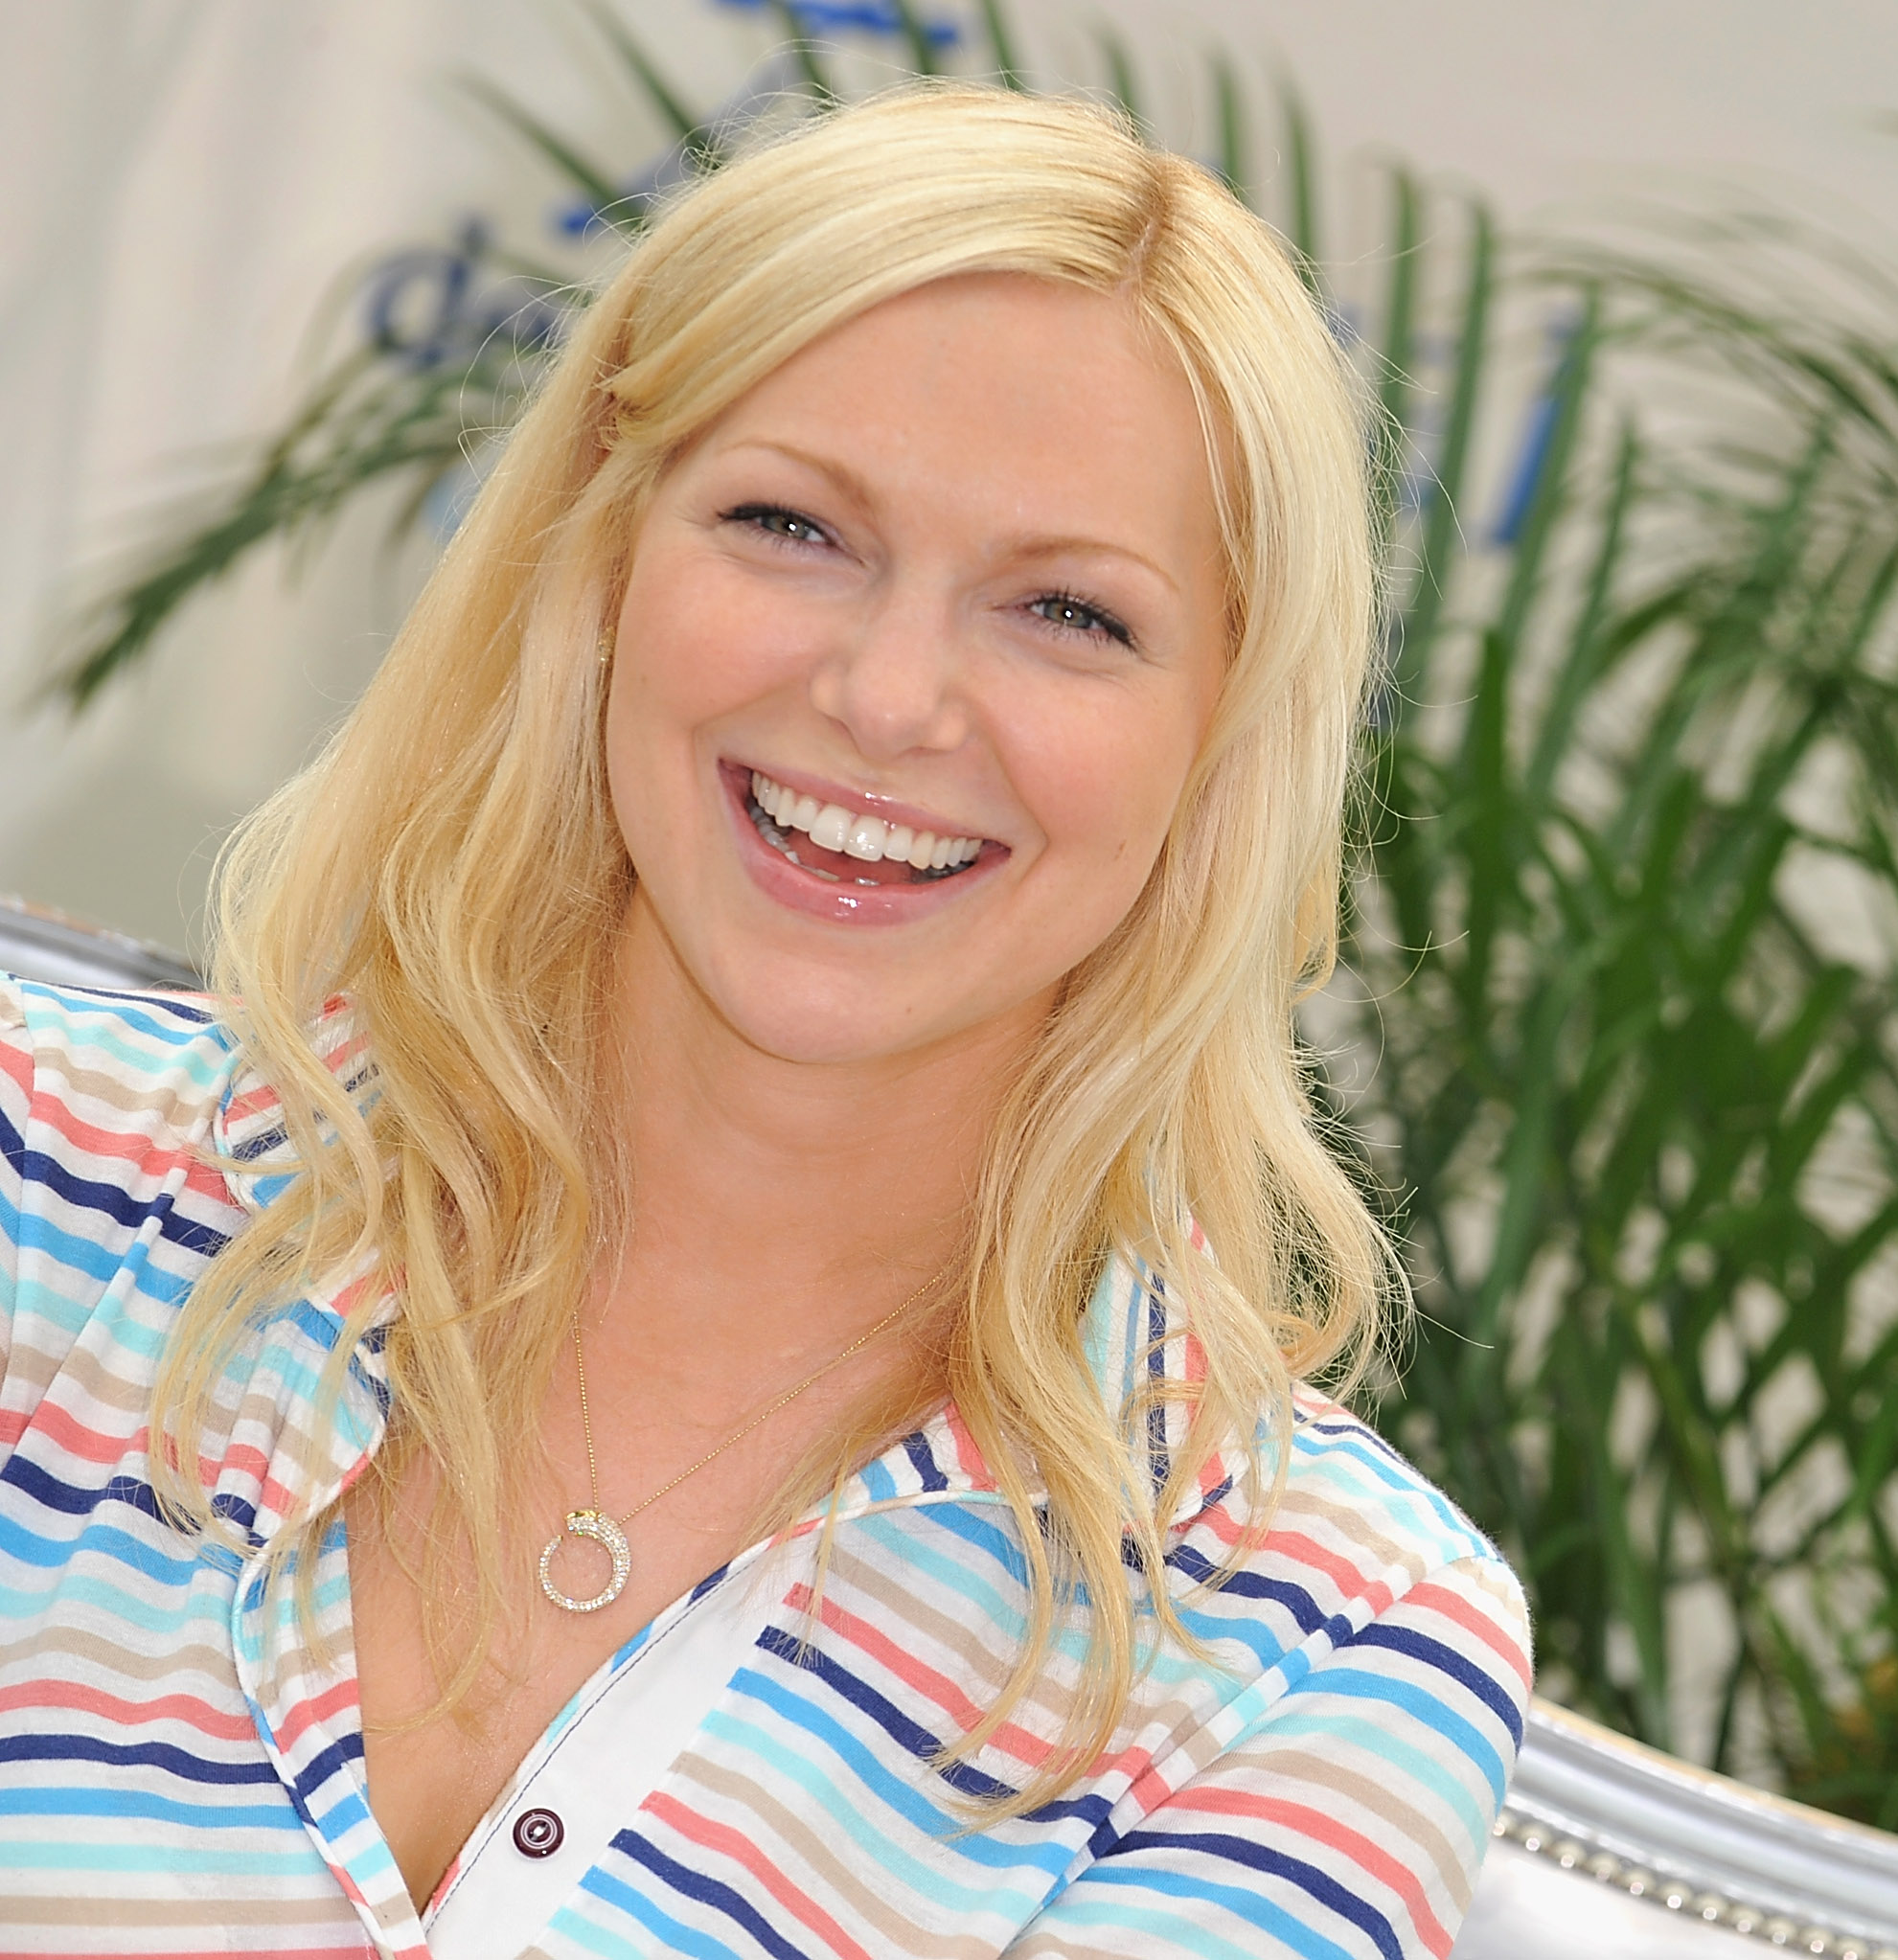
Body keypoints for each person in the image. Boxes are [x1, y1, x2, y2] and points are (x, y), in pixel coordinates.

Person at [0, 84, 1529, 1959]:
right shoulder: (40, 1183)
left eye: (1067, 611)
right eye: (792, 526)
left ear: (1224, 740)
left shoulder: (1323, 1646)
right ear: (602, 558)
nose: (888, 698)